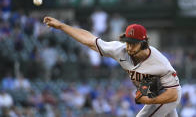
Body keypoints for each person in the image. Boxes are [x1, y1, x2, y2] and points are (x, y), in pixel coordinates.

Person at [43, 16, 181, 117]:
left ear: (143, 43)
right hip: (153, 92)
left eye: (133, 43)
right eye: (127, 42)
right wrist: (62, 26)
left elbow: (173, 95)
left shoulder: (160, 63)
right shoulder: (119, 50)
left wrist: (149, 100)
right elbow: (90, 40)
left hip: (167, 94)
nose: (129, 47)